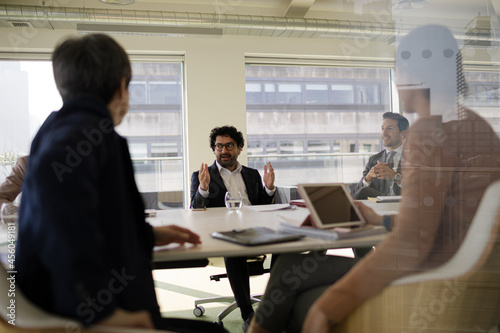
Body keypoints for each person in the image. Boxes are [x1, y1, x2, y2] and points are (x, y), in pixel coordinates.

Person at [248, 25, 500, 333]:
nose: (398, 82)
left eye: (400, 71)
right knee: (293, 278)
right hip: (462, 280)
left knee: (290, 273)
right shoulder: (476, 128)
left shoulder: (429, 132)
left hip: (426, 280)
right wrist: (382, 222)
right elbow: (445, 221)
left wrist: (330, 306)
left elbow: (411, 244)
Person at [15, 34, 226, 333]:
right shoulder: (85, 135)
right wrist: (100, 313)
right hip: (87, 316)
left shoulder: (60, 127)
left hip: (63, 306)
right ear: (122, 87)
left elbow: (90, 217)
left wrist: (146, 235)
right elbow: (60, 222)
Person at [190, 125, 275, 331]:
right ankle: (248, 314)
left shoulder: (252, 174)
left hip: (256, 233)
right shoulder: (202, 175)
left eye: (229, 146)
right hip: (224, 237)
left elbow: (263, 207)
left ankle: (279, 303)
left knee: (287, 246)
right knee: (234, 250)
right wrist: (203, 189)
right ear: (214, 149)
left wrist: (269, 188)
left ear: (239, 148)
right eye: (219, 146)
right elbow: (195, 210)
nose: (224, 151)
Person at [350, 112, 409, 199]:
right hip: (379, 206)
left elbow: (420, 189)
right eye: (382, 129)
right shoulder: (374, 159)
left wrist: (395, 176)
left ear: (403, 133)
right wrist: (368, 178)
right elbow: (356, 193)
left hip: (404, 205)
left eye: (389, 128)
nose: (384, 133)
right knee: (363, 191)